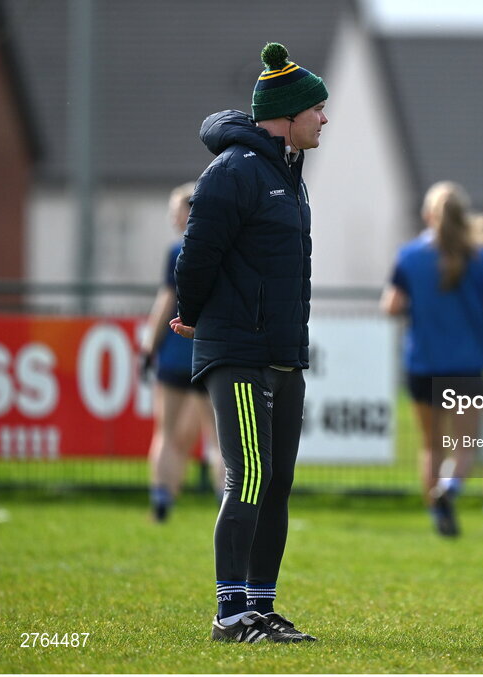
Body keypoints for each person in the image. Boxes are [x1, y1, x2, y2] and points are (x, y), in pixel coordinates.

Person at [171, 42, 327, 644]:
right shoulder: (234, 171)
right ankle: (230, 614)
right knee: (251, 476)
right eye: (316, 108)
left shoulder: (287, 173)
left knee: (278, 480)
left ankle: (260, 607)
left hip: (283, 353)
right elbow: (197, 255)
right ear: (286, 116)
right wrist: (192, 312)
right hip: (238, 351)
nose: (324, 118)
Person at [380, 181, 483, 537]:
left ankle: (438, 514)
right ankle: (449, 490)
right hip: (466, 366)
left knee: (431, 445)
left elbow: (392, 306)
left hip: (423, 364)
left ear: (427, 215)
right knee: (464, 447)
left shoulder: (409, 256)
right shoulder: (482, 259)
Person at [141, 182, 223, 522]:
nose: (173, 218)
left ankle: (162, 499)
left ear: (191, 211)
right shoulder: (224, 248)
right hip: (211, 354)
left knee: (166, 433)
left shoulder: (179, 251)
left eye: (176, 211)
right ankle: (229, 507)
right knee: (218, 441)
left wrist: (149, 347)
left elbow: (165, 302)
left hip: (176, 355)